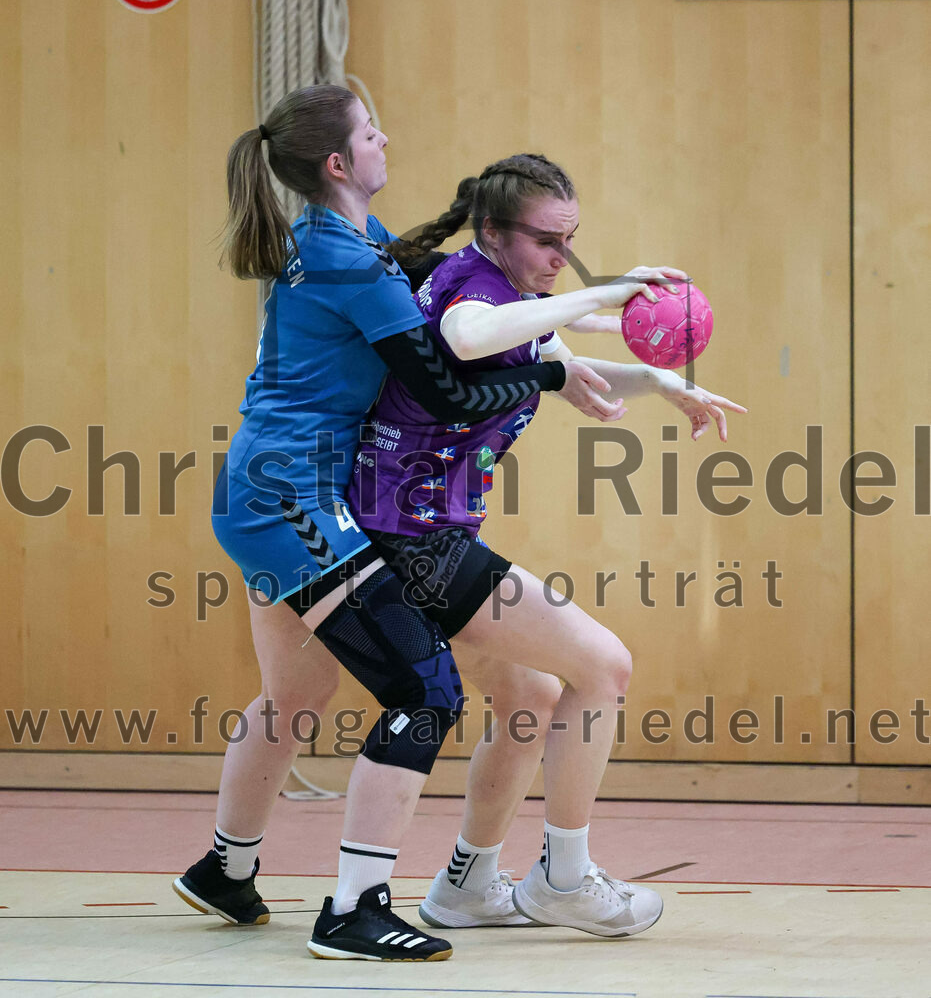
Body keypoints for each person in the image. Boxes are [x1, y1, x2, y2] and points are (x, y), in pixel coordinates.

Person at [171, 86, 640, 963]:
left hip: (277, 488)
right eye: (371, 130)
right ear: (339, 164)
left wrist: (596, 317)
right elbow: (444, 386)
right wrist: (550, 374)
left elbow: (465, 312)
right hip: (291, 498)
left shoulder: (345, 244)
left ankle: (223, 868)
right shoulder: (347, 257)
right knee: (423, 691)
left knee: (296, 695)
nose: (389, 137)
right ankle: (354, 908)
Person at [346, 153, 748, 938]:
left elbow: (561, 368)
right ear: (493, 231)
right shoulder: (476, 290)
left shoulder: (508, 290)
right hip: (409, 535)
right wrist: (595, 295)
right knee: (603, 666)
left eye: (571, 241)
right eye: (545, 241)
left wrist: (663, 384)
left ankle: (466, 882)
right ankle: (565, 875)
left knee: (530, 696)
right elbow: (467, 338)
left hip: (420, 529)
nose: (559, 259)